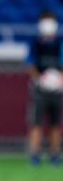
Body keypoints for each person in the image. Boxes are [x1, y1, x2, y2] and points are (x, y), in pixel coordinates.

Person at [26, 11, 62, 166]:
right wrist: (39, 79)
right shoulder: (35, 42)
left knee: (56, 123)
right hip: (39, 90)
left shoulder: (60, 42)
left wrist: (60, 80)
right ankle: (35, 155)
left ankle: (55, 155)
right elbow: (30, 64)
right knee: (36, 123)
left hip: (57, 90)